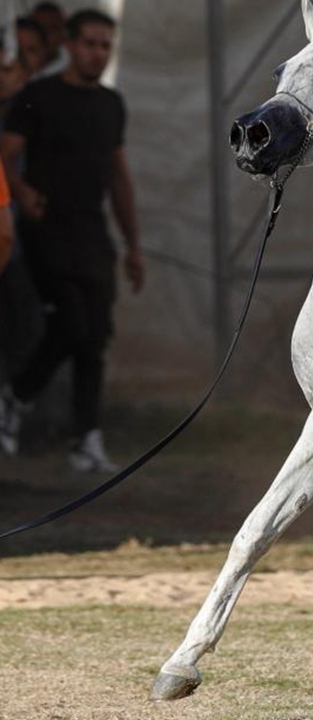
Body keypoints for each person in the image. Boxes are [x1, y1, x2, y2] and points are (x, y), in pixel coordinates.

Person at [0, 9, 143, 470]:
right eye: (90, 44)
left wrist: (133, 245)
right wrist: (20, 195)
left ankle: (86, 438)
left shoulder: (111, 104)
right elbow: (6, 155)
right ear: (70, 45)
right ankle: (16, 395)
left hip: (92, 233)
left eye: (106, 46)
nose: (98, 54)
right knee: (73, 324)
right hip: (46, 231)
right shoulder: (37, 97)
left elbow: (119, 178)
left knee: (95, 337)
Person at [30, 2, 67, 79]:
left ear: (63, 34)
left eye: (52, 28)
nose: (46, 34)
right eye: (40, 27)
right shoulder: (11, 65)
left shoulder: (74, 71)